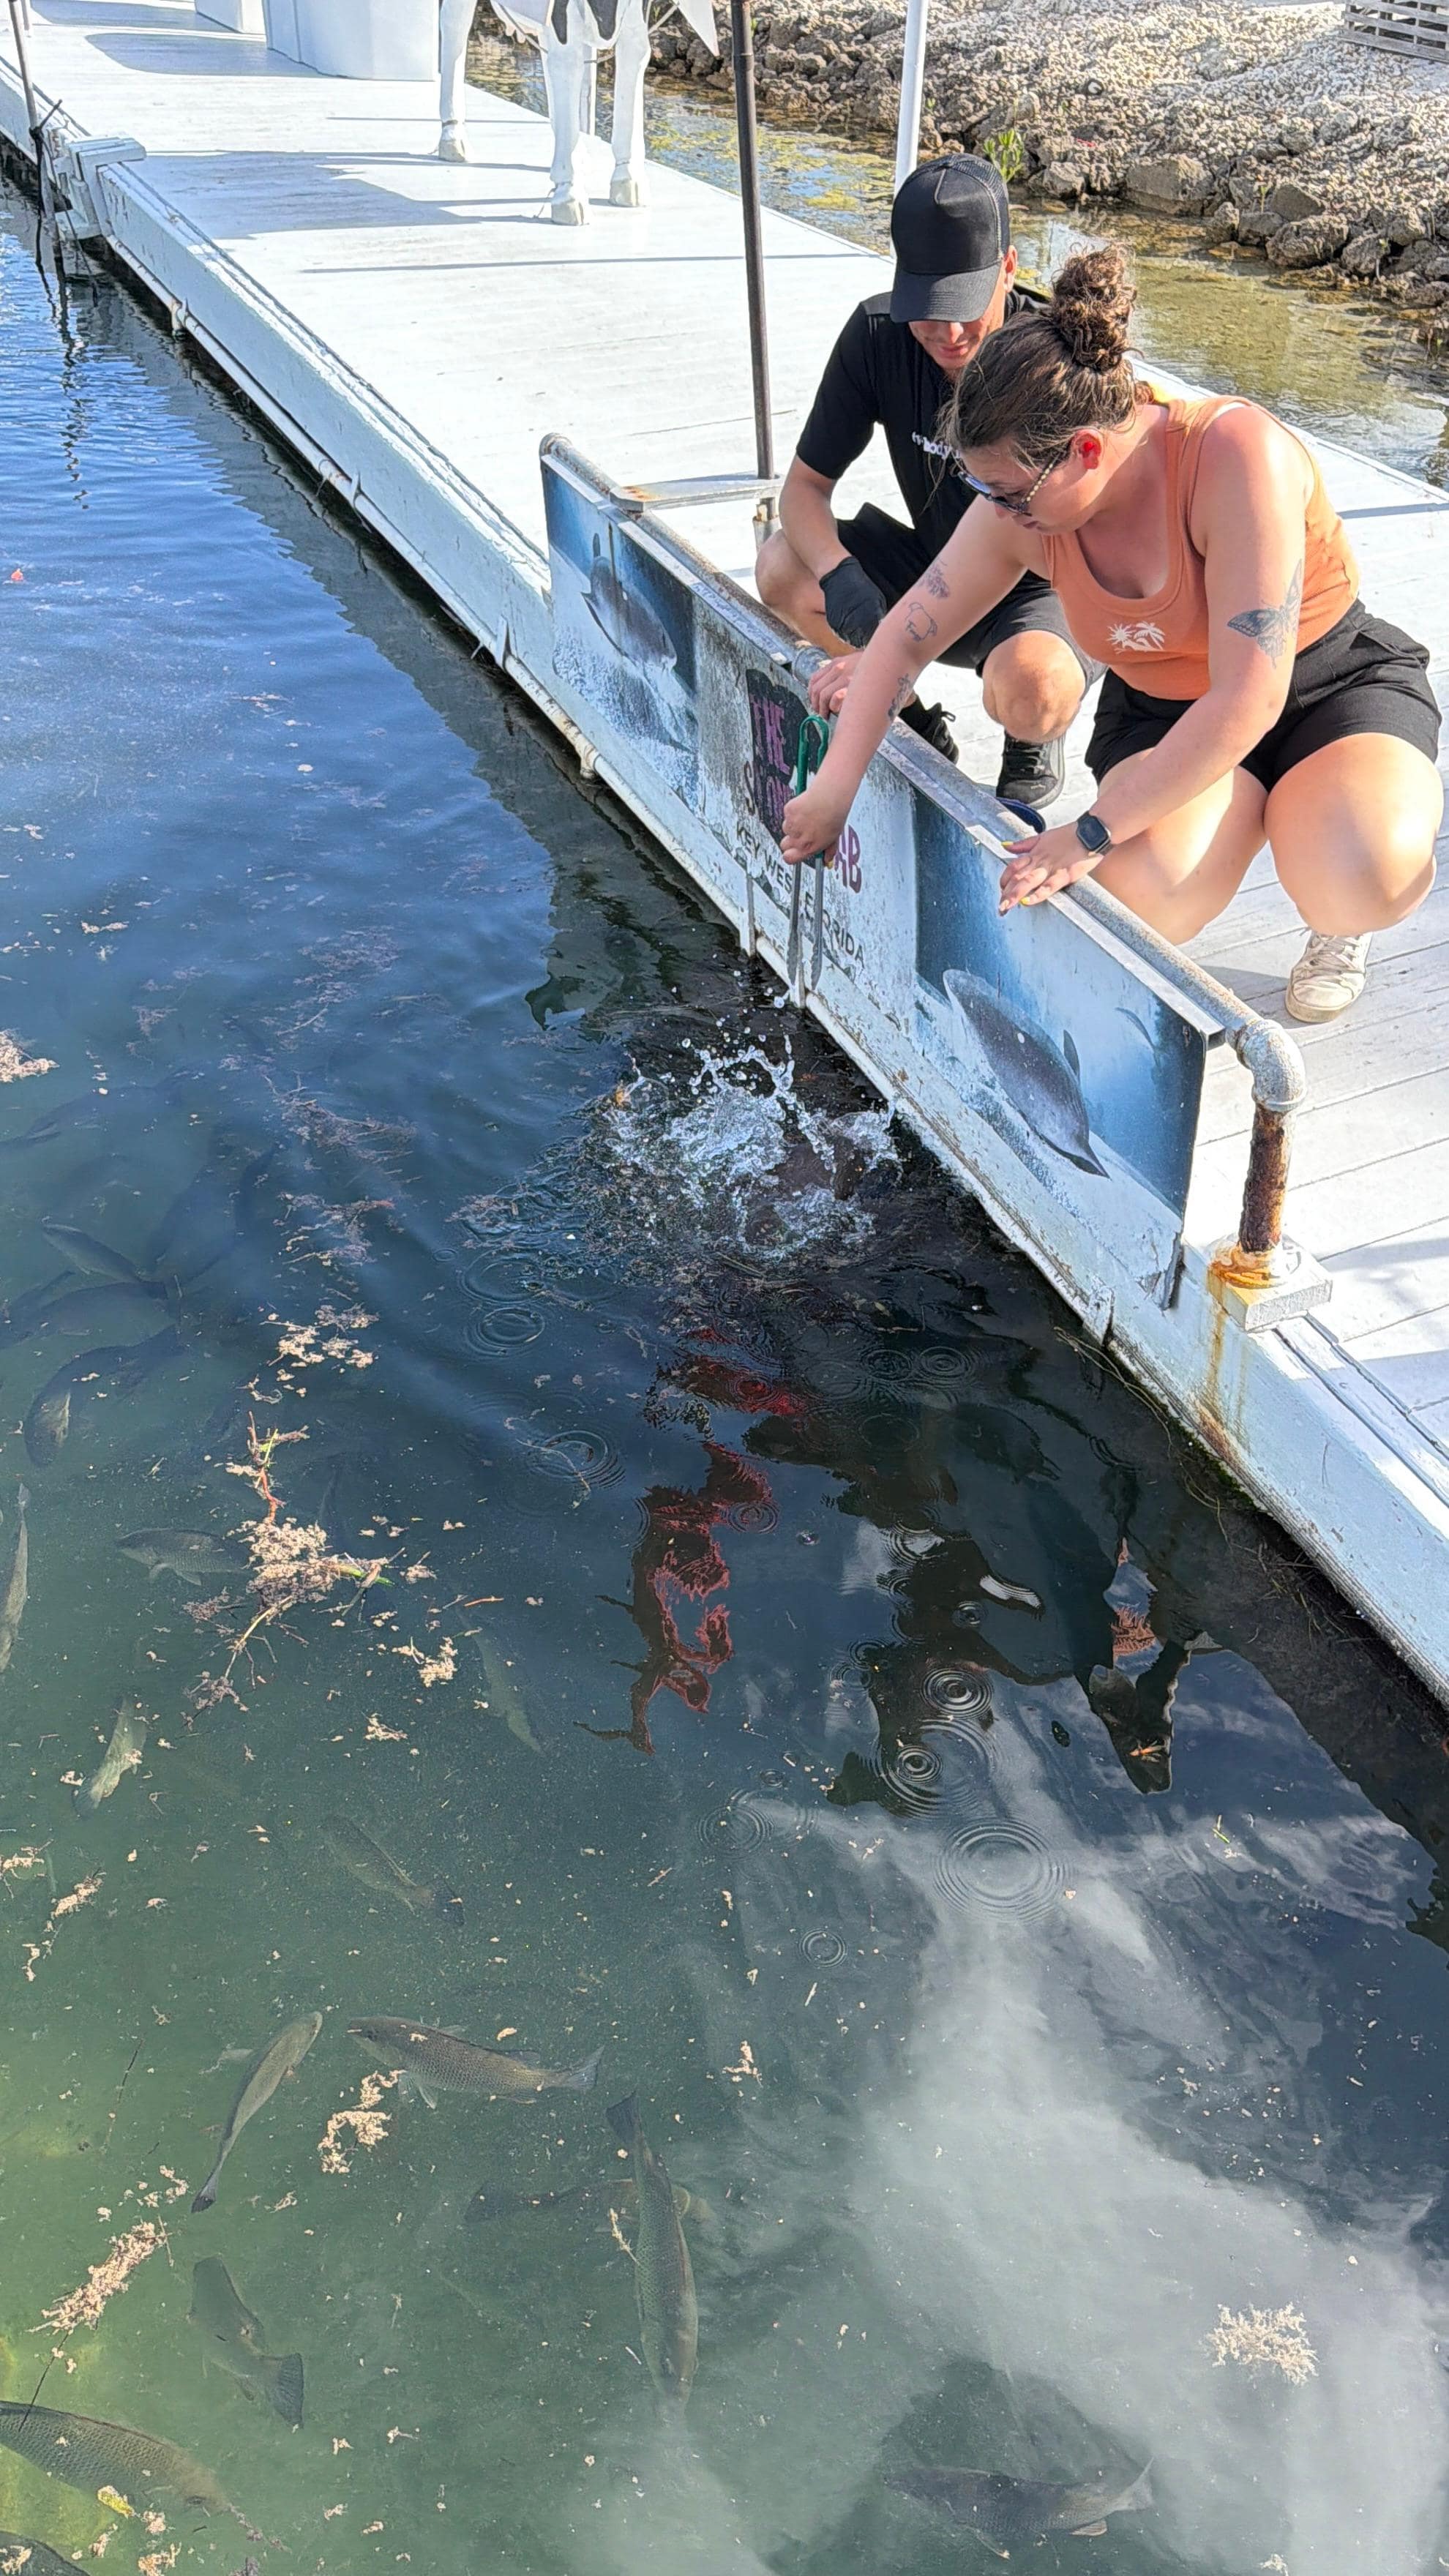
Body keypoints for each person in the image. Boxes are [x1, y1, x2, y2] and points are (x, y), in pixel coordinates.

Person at [780, 246, 1441, 1025]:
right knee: (1139, 903)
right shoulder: (1018, 512)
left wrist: (1089, 830)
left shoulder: (1236, 455)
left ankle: (1336, 905)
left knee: (1361, 867)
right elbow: (904, 639)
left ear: (1085, 452)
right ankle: (1253, 813)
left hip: (1321, 687)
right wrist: (834, 790)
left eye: (1005, 490)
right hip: (1167, 710)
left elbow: (1250, 695)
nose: (995, 510)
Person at [755, 154, 1093, 812]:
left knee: (1034, 690)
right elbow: (803, 490)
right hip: (938, 567)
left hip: (1040, 586)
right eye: (930, 308)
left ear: (1011, 267)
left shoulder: (1052, 361)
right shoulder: (877, 335)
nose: (951, 332)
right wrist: (838, 575)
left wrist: (899, 644)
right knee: (781, 566)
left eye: (966, 304)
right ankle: (910, 715)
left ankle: (1029, 736)